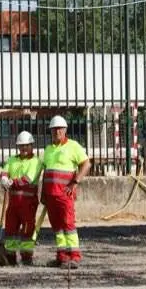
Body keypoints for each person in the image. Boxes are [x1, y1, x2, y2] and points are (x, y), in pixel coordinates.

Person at [39, 115, 91, 269]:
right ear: (50, 131)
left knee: (68, 224)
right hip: (50, 195)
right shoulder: (48, 150)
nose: (57, 132)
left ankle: (74, 256)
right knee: (57, 227)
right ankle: (62, 257)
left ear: (65, 130)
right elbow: (45, 172)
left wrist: (75, 182)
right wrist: (43, 194)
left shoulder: (73, 146)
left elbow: (86, 164)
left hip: (65, 195)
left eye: (60, 129)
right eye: (54, 129)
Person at [0, 131, 44, 266]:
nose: (24, 148)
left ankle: (26, 257)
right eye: (21, 146)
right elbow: (4, 171)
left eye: (27, 145)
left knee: (27, 230)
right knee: (10, 230)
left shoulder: (36, 162)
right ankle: (10, 256)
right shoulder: (12, 160)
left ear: (32, 145)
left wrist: (11, 182)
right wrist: (3, 178)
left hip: (28, 203)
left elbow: (28, 179)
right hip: (13, 203)